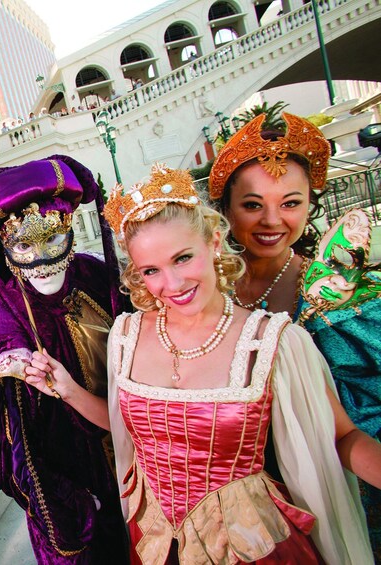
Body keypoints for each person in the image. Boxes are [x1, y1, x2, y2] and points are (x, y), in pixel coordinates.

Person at [30, 163, 380, 563]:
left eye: (182, 258)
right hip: (155, 544)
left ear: (214, 242)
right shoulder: (125, 336)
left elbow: (341, 438)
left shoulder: (273, 342)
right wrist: (69, 391)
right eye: (151, 271)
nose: (173, 285)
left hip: (253, 545)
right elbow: (134, 431)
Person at [209, 112, 381, 558]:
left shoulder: (344, 300)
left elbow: (351, 429)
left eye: (290, 203)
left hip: (340, 496)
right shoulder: (202, 295)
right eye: (252, 204)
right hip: (246, 517)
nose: (272, 220)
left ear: (310, 206)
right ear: (225, 208)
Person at [0, 156, 129, 563]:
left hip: (138, 464)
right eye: (23, 245)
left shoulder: (93, 276)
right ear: (4, 247)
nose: (42, 259)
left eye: (51, 239)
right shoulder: (0, 330)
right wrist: (69, 508)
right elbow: (9, 449)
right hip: (82, 496)